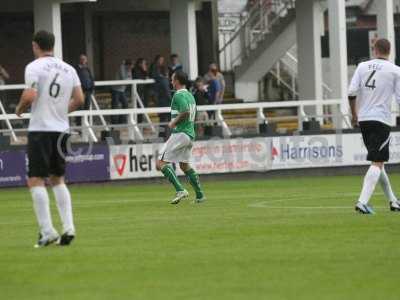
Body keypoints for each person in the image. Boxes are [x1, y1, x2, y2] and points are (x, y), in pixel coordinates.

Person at [15, 30, 84, 247]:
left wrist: (19, 109)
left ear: (35, 46)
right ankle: (69, 227)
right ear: (53, 45)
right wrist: (62, 112)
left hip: (41, 129)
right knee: (57, 179)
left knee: (35, 179)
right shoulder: (69, 68)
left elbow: (30, 95)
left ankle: (47, 231)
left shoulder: (34, 67)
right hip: (61, 129)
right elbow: (80, 99)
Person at [348, 38, 400, 214]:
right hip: (381, 120)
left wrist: (354, 115)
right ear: (389, 51)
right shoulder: (395, 71)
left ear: (375, 50)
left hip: (364, 119)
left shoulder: (362, 66)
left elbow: (351, 92)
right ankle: (362, 202)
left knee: (378, 162)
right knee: (378, 161)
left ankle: (393, 201)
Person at [156, 70, 205, 204]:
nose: (171, 82)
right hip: (190, 134)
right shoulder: (190, 95)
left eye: (172, 79)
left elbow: (185, 112)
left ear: (177, 81)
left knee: (160, 163)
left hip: (181, 133)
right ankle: (200, 195)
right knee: (184, 166)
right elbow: (192, 114)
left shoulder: (178, 95)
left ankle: (180, 190)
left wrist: (173, 122)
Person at [150, 55, 171, 138]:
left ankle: (161, 135)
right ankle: (166, 135)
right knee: (167, 119)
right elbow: (167, 92)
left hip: (160, 101)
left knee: (162, 119)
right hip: (166, 102)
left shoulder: (159, 80)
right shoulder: (164, 81)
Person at [75, 54, 95, 127]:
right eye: (82, 59)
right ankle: (79, 125)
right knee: (80, 108)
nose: (83, 61)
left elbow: (91, 78)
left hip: (88, 91)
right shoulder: (76, 69)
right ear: (79, 60)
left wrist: (92, 87)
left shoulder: (87, 68)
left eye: (85, 59)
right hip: (81, 91)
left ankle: (87, 124)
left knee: (87, 107)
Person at [111, 59, 133, 124]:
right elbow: (124, 78)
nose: (131, 68)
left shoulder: (129, 69)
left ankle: (121, 120)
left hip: (122, 90)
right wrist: (128, 77)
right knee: (115, 105)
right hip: (116, 89)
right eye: (131, 66)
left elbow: (131, 78)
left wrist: (128, 77)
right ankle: (114, 121)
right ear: (128, 65)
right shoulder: (122, 68)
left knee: (125, 104)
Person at [132, 58, 149, 123]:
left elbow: (147, 76)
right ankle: (138, 121)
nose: (145, 65)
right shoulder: (135, 70)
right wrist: (144, 74)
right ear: (140, 64)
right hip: (138, 90)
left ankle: (141, 120)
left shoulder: (143, 70)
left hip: (143, 90)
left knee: (143, 105)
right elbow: (138, 77)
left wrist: (145, 71)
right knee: (138, 105)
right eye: (143, 63)